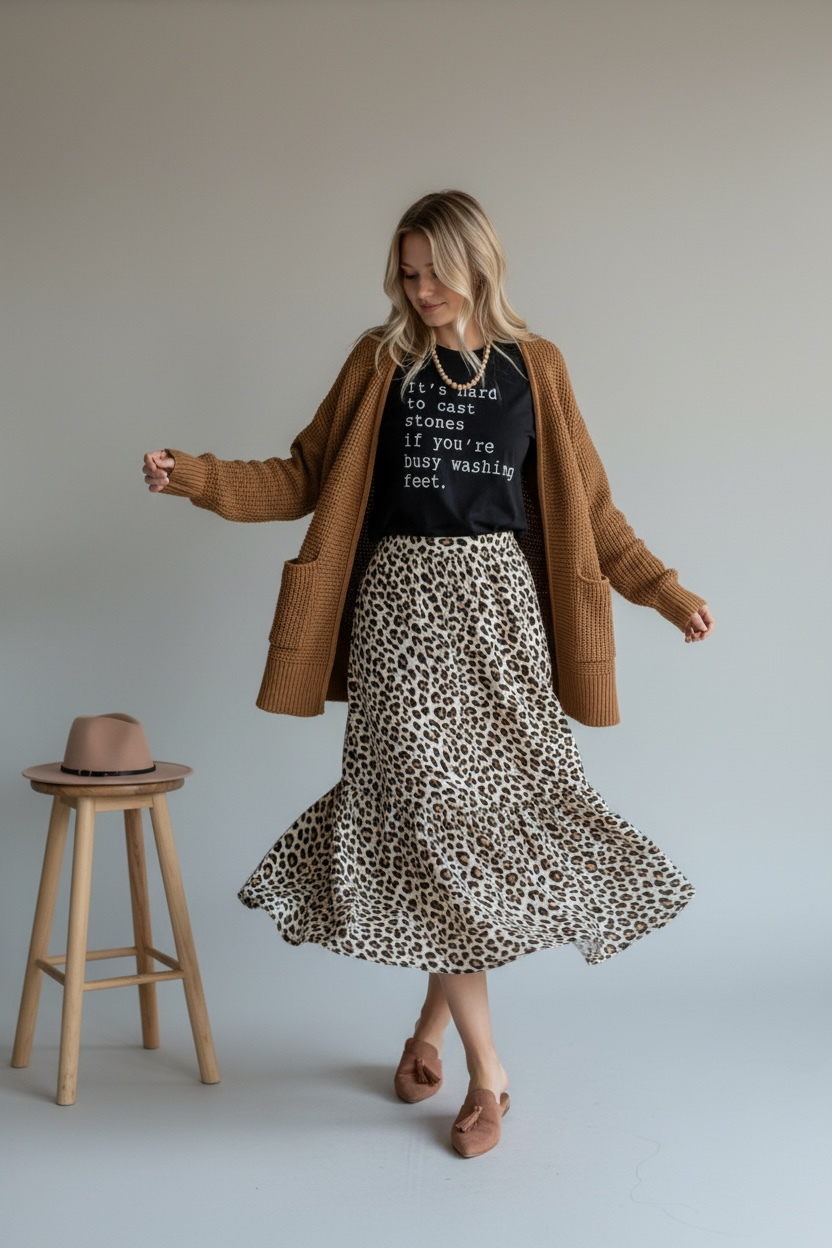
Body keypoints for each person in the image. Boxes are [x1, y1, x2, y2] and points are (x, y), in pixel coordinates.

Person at [143, 190, 714, 1158]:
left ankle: (427, 1031)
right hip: (400, 621)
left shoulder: (535, 368)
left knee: (479, 830)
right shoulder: (381, 363)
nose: (420, 291)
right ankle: (492, 1078)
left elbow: (591, 508)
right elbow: (301, 476)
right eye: (406, 275)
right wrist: (192, 475)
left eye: (434, 272)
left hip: (500, 623)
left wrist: (663, 591)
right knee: (423, 823)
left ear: (477, 264)